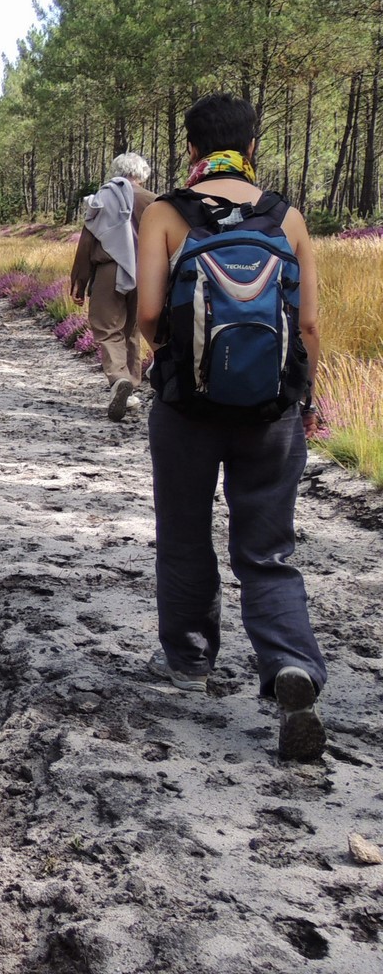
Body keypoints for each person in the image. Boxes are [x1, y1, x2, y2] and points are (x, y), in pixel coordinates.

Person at [135, 92, 326, 761]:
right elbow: (305, 325)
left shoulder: (165, 212)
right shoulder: (286, 216)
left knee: (185, 536)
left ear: (190, 147)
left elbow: (150, 313)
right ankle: (289, 666)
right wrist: (308, 395)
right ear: (253, 145)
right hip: (272, 412)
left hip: (186, 408)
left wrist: (178, 359)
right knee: (268, 548)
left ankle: (189, 662)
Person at [71, 152, 156, 421]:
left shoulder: (103, 198)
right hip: (146, 273)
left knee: (107, 328)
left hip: (109, 270)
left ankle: (119, 380)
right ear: (142, 174)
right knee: (132, 329)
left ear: (116, 172)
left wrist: (80, 281)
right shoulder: (155, 202)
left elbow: (87, 242)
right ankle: (130, 387)